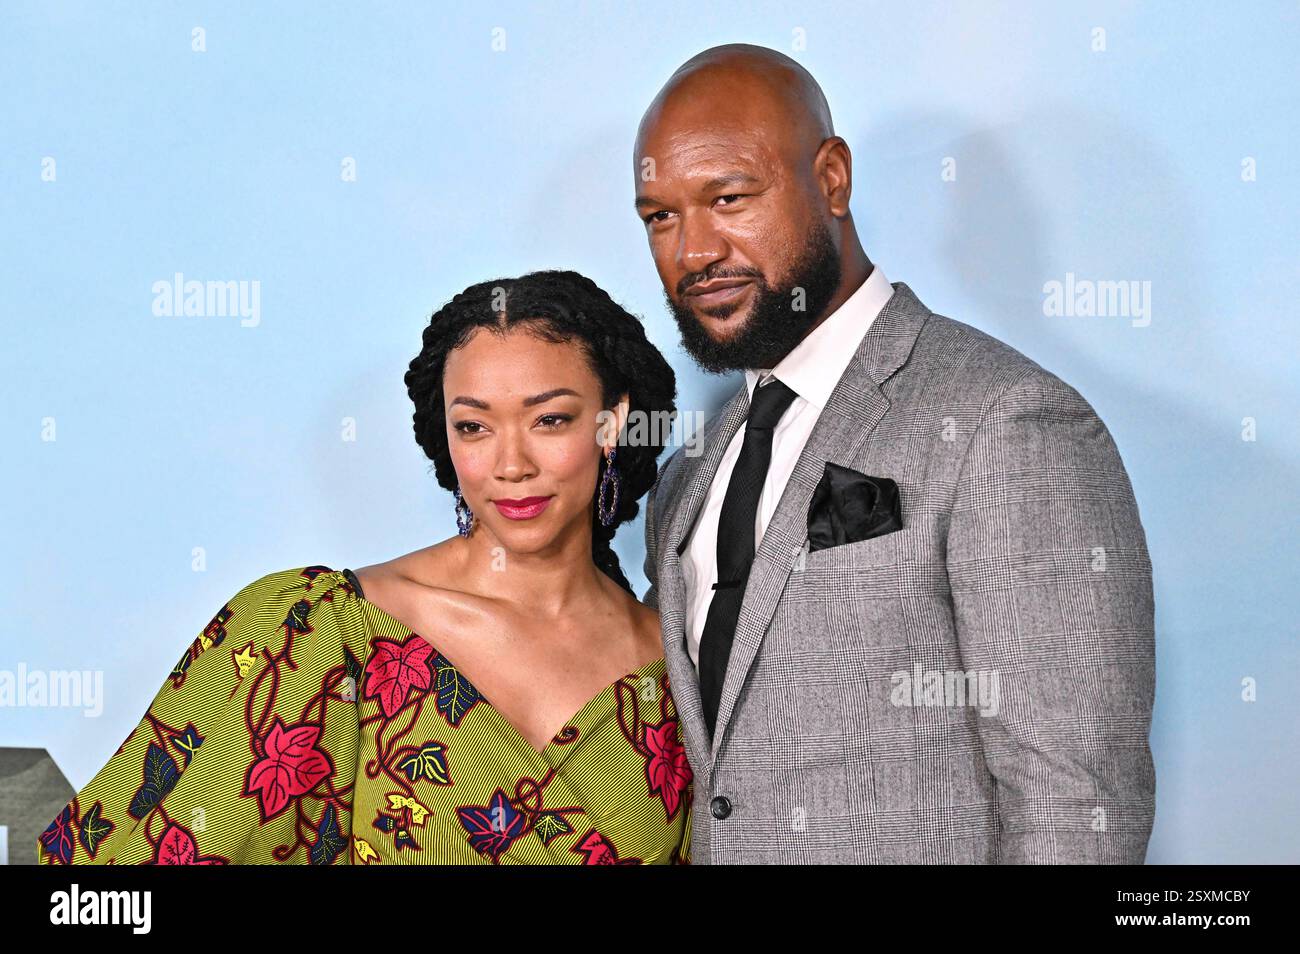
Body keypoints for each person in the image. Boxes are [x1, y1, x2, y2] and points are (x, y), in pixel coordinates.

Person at [635, 44, 1157, 863]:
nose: (693, 251)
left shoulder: (1008, 420)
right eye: (660, 216)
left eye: (728, 197)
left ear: (833, 179)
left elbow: (1075, 803)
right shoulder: (692, 477)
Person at [37, 270, 692, 865]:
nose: (510, 464)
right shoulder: (318, 629)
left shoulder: (683, 673)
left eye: (550, 420)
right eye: (473, 427)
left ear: (612, 423)